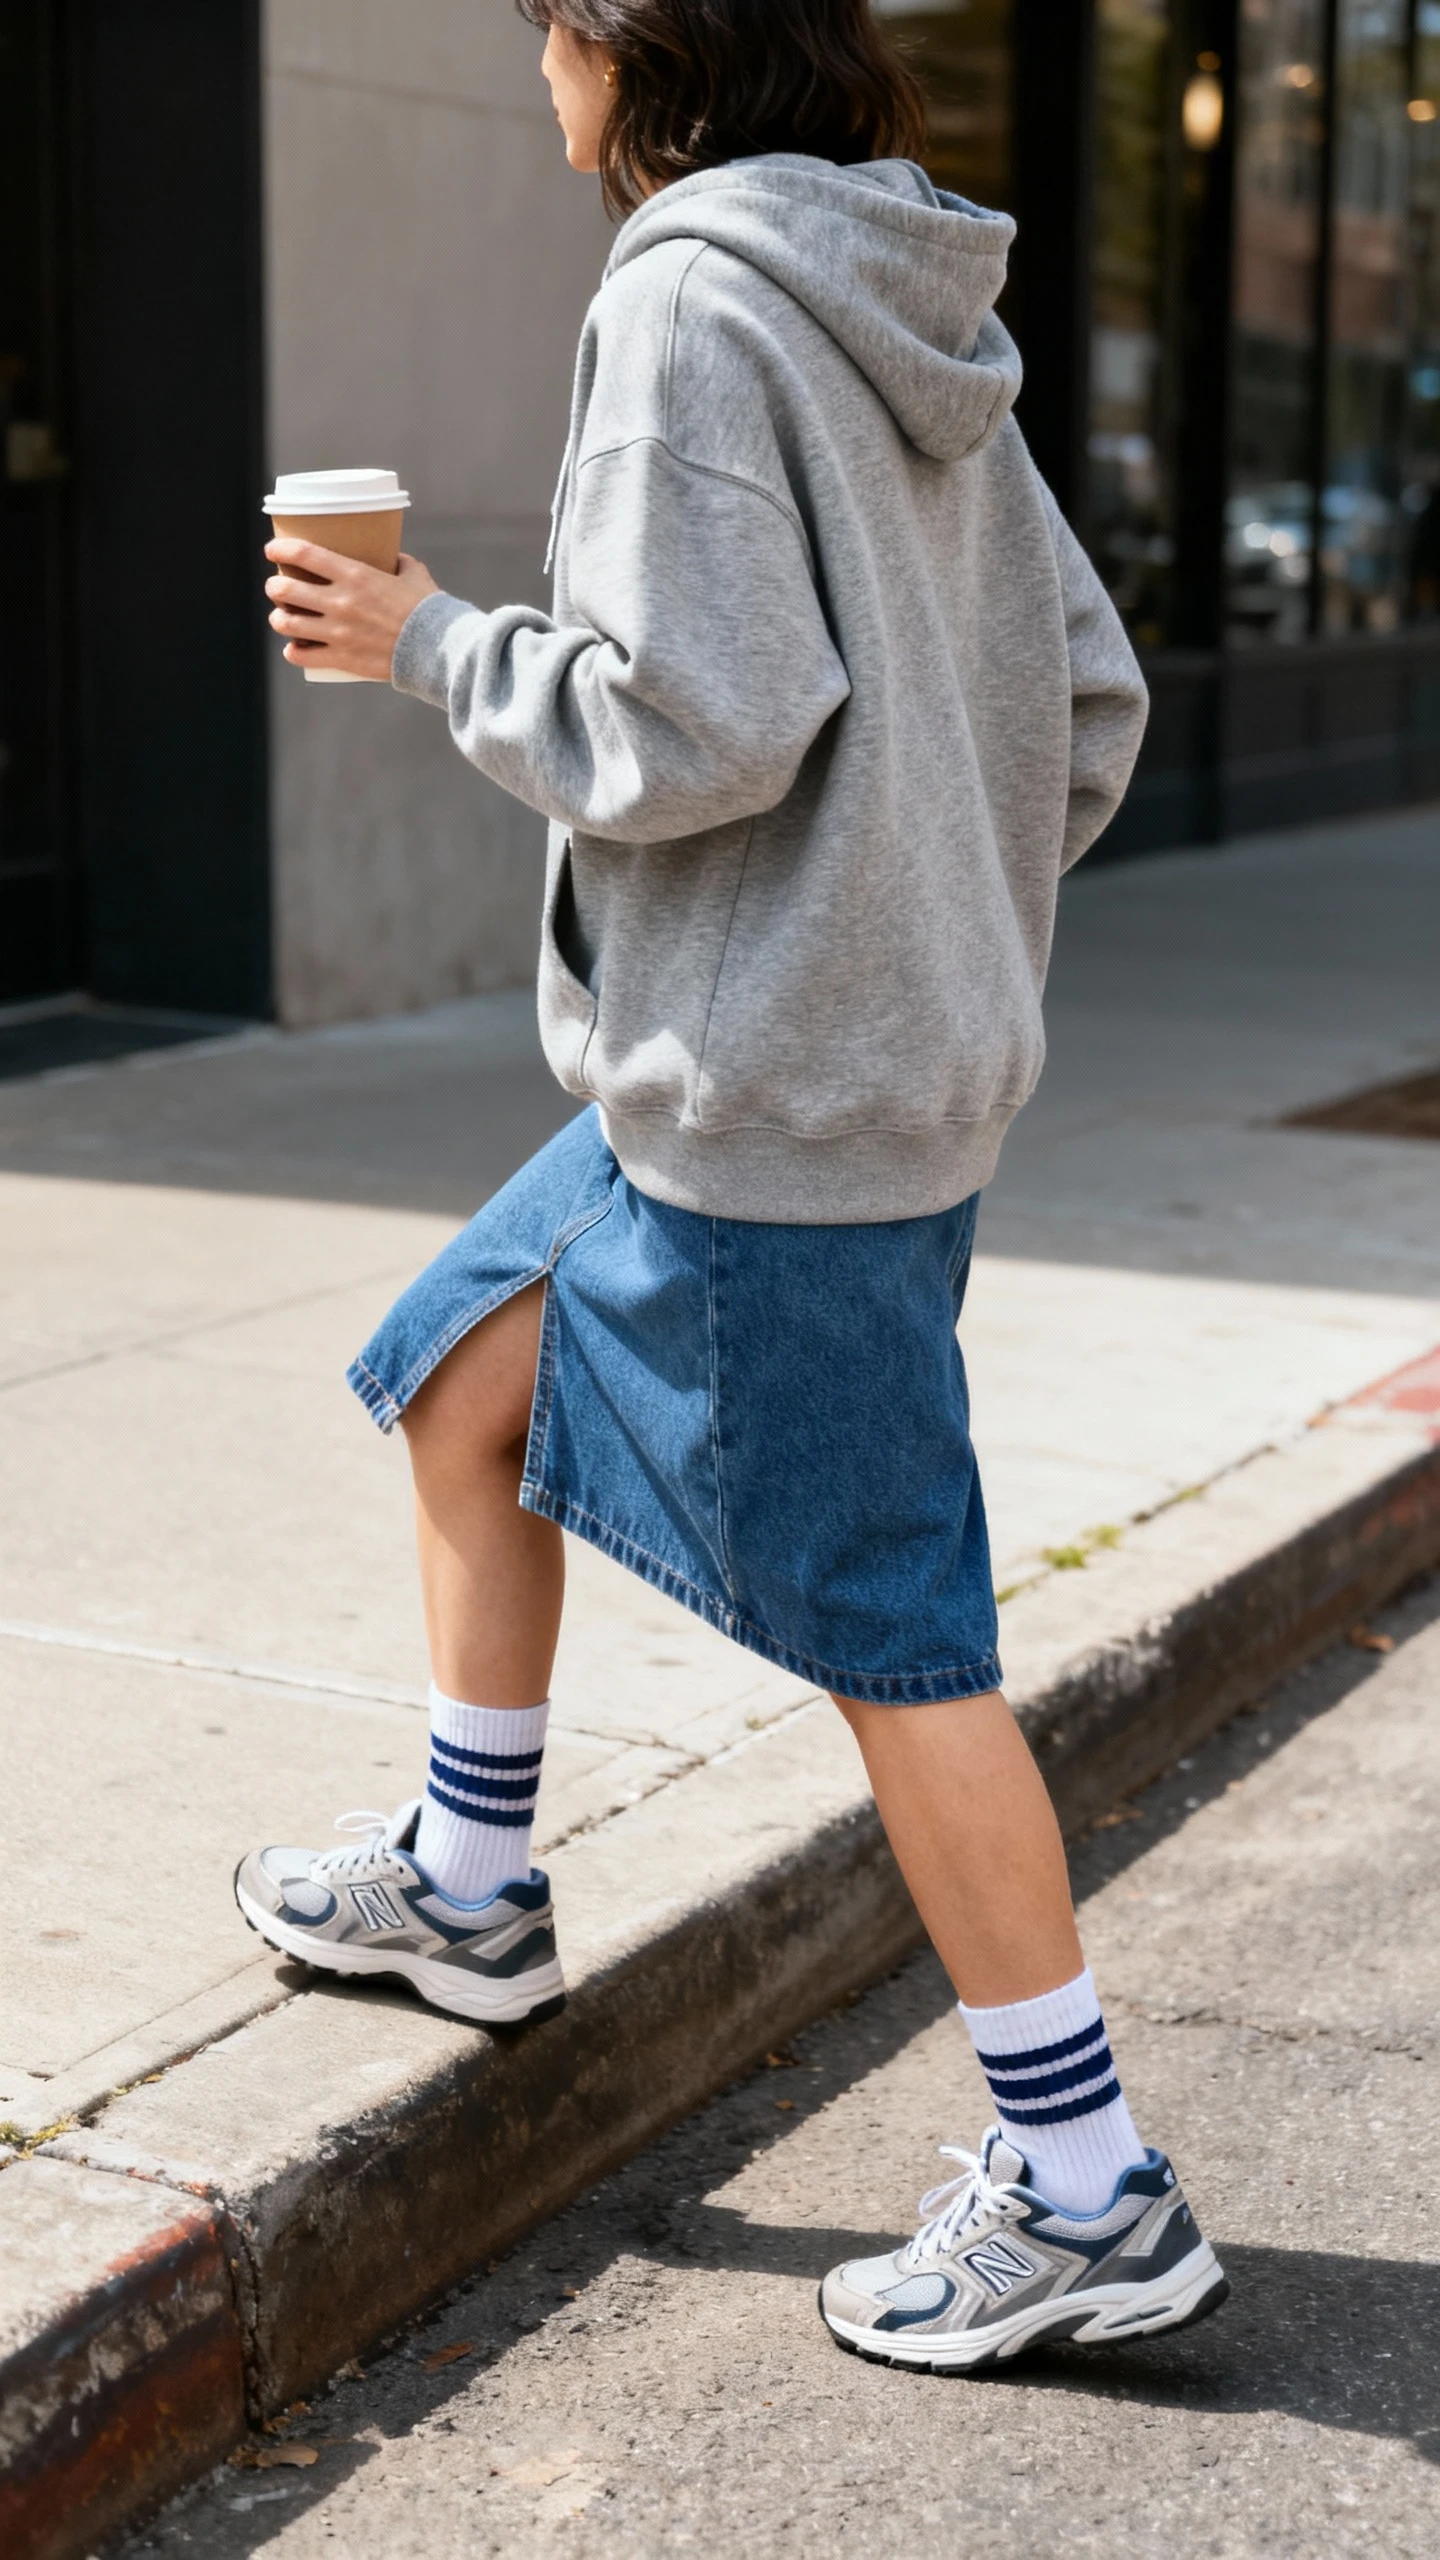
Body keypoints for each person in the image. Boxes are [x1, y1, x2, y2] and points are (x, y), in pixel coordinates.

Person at [242, 0, 1227, 2370]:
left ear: (624, 42)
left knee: (900, 1645)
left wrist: (423, 643)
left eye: (546, 27)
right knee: (466, 1379)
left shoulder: (689, 287)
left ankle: (1083, 2180)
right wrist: (921, 931)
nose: (534, 71)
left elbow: (700, 718)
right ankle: (474, 1883)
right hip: (786, 1089)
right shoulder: (904, 289)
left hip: (781, 1116)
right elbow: (1084, 701)